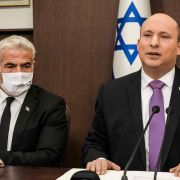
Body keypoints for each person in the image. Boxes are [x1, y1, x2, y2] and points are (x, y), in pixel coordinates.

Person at [81, 13, 180, 177]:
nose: (154, 43)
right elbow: (94, 143)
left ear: (178, 47)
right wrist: (98, 158)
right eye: (147, 35)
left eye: (164, 37)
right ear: (138, 44)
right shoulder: (112, 92)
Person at [0, 35, 68, 167]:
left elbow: (50, 155)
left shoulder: (51, 104)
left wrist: (3, 159)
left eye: (26, 66)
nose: (19, 73)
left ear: (33, 66)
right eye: (10, 66)